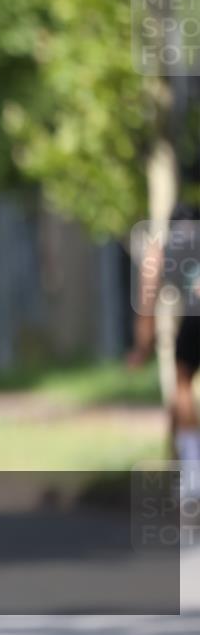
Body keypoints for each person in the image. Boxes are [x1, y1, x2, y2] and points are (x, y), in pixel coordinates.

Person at [128, 201, 200, 471]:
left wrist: (142, 348)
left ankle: (192, 468)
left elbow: (146, 305)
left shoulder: (162, 249)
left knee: (182, 384)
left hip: (194, 319)